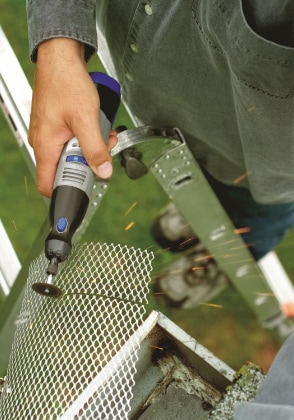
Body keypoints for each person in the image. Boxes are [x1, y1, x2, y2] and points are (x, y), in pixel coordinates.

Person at [26, 0, 294, 305]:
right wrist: (57, 49)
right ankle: (200, 210)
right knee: (195, 175)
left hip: (263, 157)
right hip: (161, 99)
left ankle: (230, 251)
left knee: (257, 206)